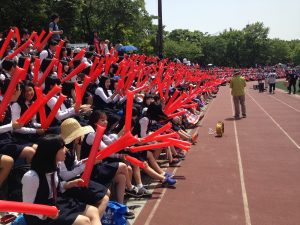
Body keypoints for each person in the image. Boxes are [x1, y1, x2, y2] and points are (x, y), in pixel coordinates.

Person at [22, 134, 101, 225]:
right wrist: (46, 213)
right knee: (85, 221)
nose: (66, 149)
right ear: (52, 152)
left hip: (56, 203)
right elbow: (26, 208)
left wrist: (70, 184)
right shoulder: (32, 177)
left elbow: (57, 186)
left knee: (94, 211)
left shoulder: (56, 166)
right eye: (62, 147)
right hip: (40, 214)